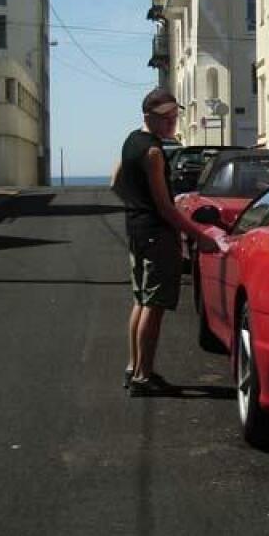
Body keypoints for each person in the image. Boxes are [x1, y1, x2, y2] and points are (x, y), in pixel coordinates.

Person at [111, 88, 199, 397]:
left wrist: (135, 205)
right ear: (151, 117)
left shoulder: (130, 141)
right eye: (168, 118)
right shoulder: (152, 152)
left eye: (175, 117)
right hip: (156, 234)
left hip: (136, 230)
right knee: (154, 304)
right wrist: (198, 235)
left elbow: (115, 182)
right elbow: (166, 207)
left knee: (141, 300)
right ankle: (142, 376)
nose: (173, 124)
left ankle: (134, 367)